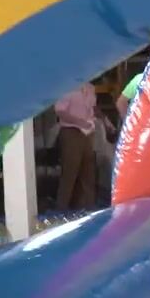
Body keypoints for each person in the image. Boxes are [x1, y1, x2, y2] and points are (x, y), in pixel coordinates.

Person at [53, 82, 99, 210]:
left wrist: (96, 121)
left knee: (88, 170)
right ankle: (62, 208)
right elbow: (60, 111)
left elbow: (93, 107)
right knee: (70, 171)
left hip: (88, 132)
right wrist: (79, 122)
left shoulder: (90, 87)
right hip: (71, 131)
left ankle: (88, 206)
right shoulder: (66, 87)